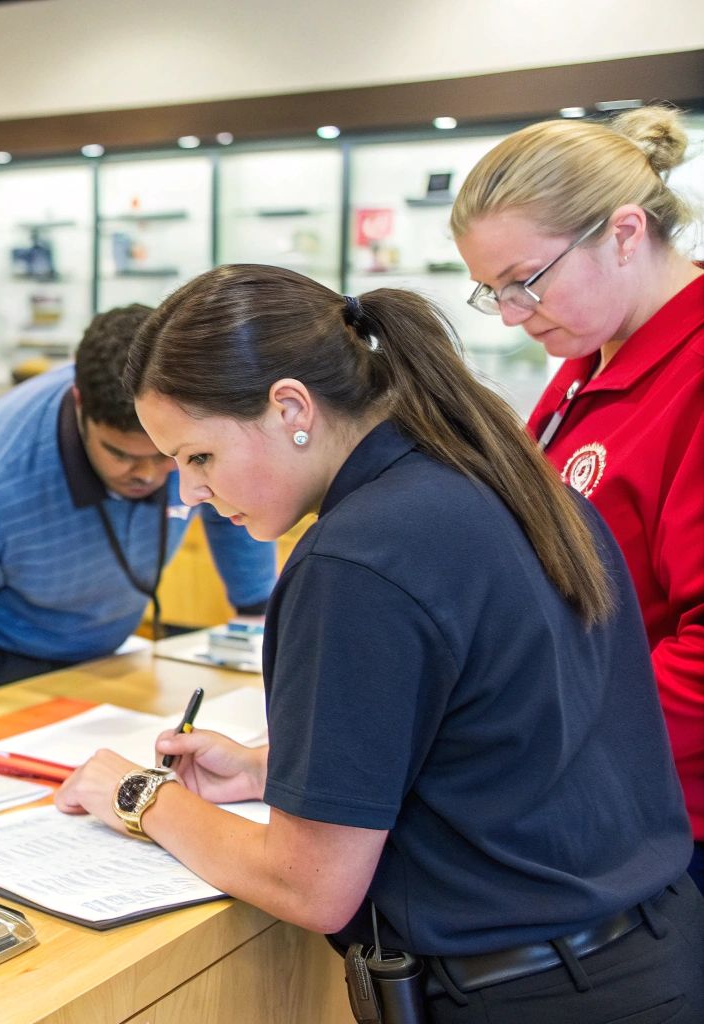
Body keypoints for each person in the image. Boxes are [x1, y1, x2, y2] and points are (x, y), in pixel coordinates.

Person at [55, 265, 700, 1022]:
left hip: (527, 992)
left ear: (291, 406)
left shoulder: (355, 558)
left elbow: (311, 886)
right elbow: (511, 733)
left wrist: (138, 796)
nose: (189, 493)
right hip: (653, 950)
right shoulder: (499, 477)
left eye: (198, 457)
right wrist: (276, 772)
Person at [451, 106, 704, 894]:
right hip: (586, 791)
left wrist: (538, 747)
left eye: (526, 282)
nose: (516, 314)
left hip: (664, 819)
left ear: (625, 233)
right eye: (494, 293)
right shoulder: (589, 361)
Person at [0, 304, 275, 690]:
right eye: (121, 454)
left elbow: (228, 500)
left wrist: (255, 609)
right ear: (79, 404)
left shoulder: (191, 423)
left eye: (166, 456)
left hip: (101, 651)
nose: (146, 474)